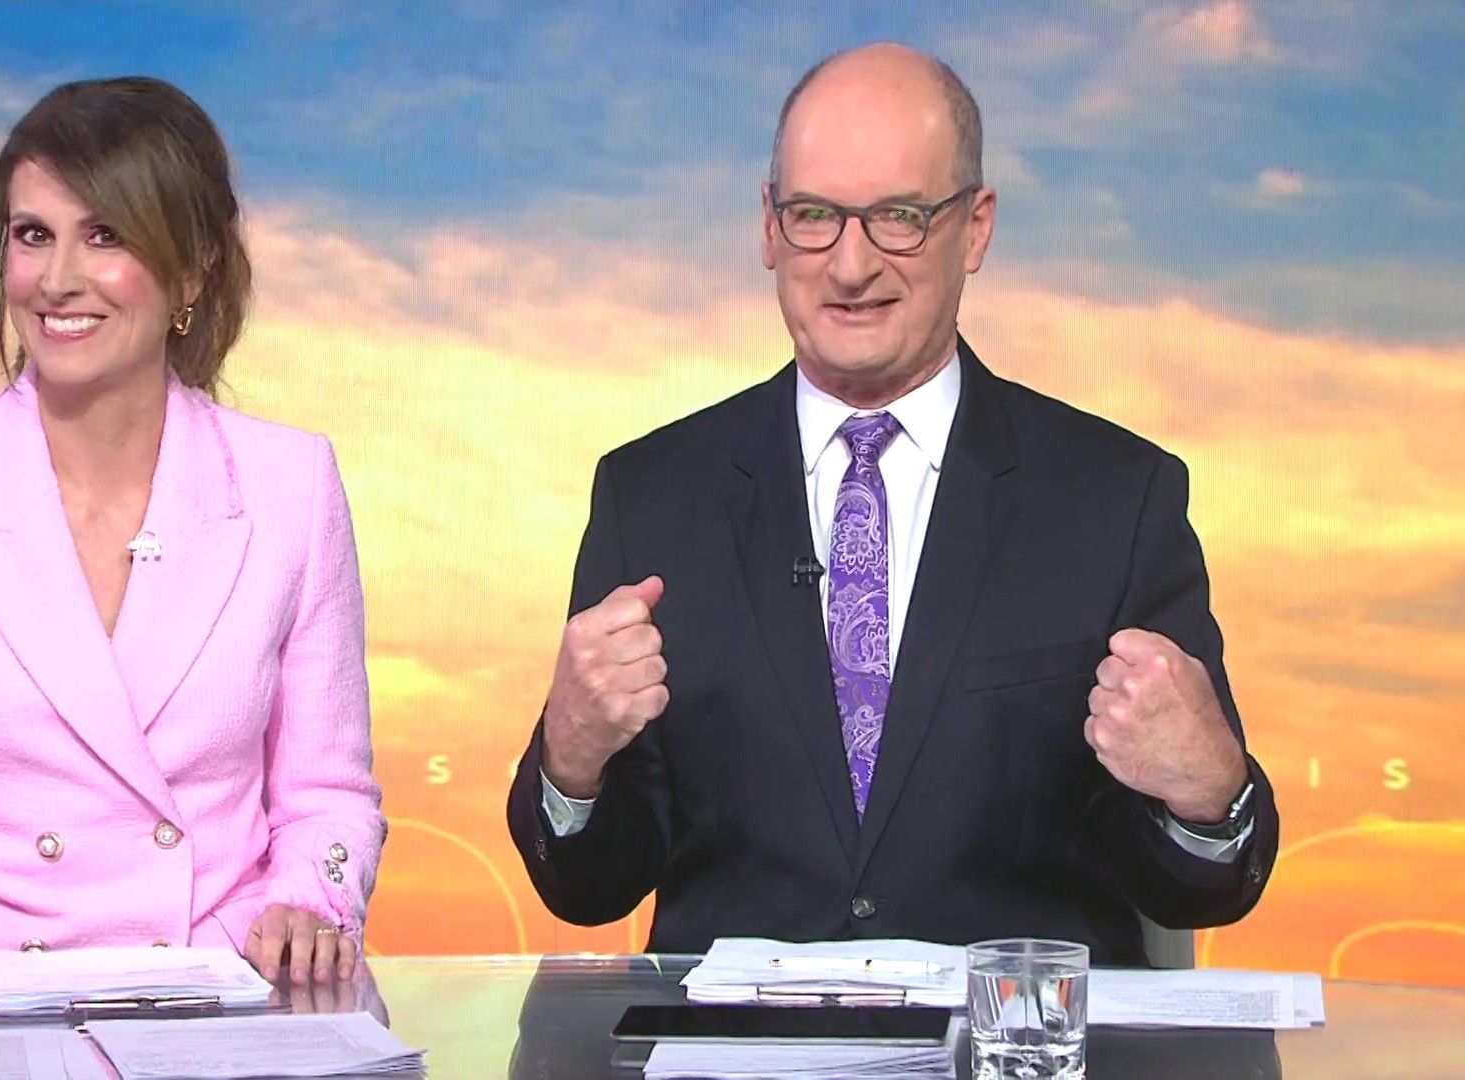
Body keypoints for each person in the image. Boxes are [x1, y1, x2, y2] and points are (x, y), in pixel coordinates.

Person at [505, 43, 1279, 965]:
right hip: (735, 1040)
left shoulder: (1115, 499)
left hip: (1009, 1035)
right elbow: (591, 890)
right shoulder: (650, 496)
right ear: (768, 228)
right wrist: (571, 764)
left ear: (976, 229)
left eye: (899, 218)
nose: (850, 265)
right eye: (814, 216)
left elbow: (1197, 885)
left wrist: (1208, 796)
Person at [0, 77, 384, 997]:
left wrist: (309, 904)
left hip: (218, 993)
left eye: (105, 235)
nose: (57, 278)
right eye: (33, 235)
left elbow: (327, 796)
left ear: (191, 270)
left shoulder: (292, 485)